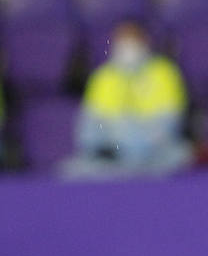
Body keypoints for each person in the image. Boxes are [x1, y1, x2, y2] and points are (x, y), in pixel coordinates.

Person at [63, 18, 193, 178]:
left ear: (145, 40)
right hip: (112, 159)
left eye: (132, 38)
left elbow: (167, 128)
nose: (127, 45)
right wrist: (115, 144)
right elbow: (88, 132)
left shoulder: (164, 73)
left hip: (155, 157)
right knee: (72, 170)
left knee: (180, 157)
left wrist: (132, 141)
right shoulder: (103, 76)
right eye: (122, 39)